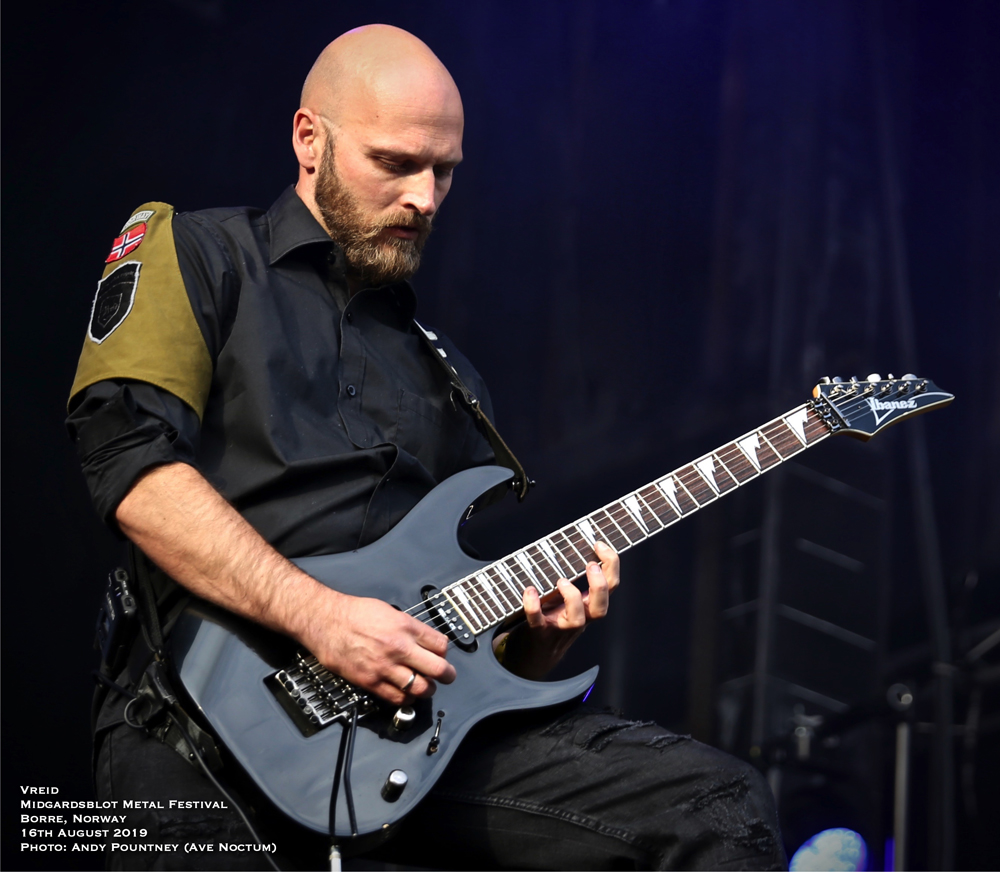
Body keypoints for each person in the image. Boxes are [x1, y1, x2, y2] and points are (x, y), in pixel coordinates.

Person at [67, 24, 786, 871]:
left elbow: (449, 626)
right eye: (395, 163)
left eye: (444, 171)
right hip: (193, 729)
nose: (425, 198)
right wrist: (320, 617)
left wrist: (532, 646)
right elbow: (130, 468)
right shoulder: (197, 254)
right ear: (309, 140)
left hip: (397, 738)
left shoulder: (452, 380)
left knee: (717, 808)